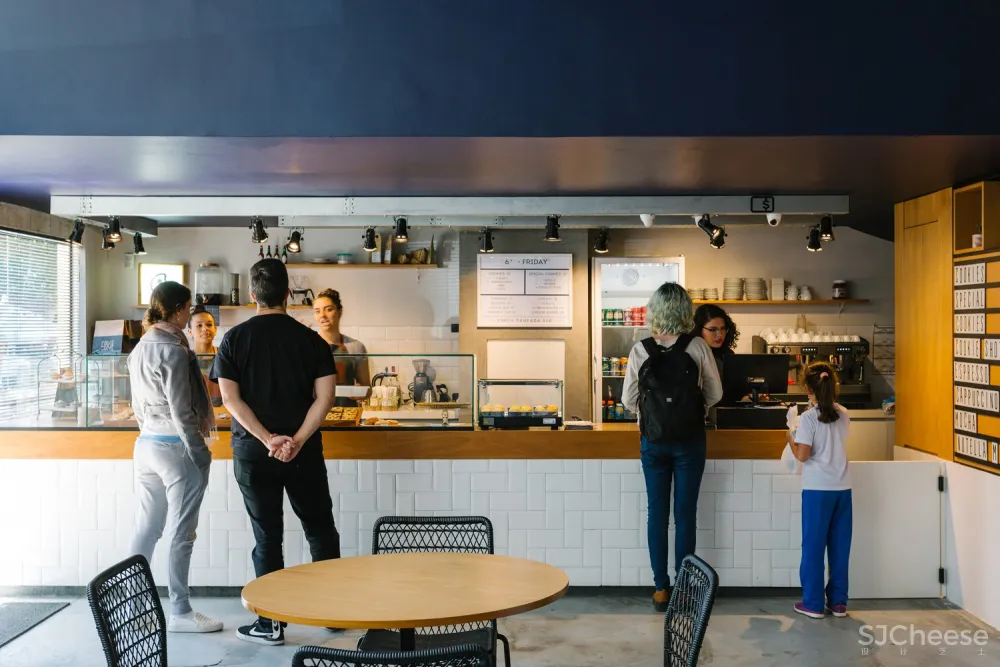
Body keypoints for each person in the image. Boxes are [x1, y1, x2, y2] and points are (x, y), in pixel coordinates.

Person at [210, 258, 340, 646]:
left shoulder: (233, 340)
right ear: (288, 294)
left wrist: (268, 439)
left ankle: (270, 624)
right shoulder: (312, 341)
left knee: (267, 536)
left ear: (253, 295)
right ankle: (335, 613)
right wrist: (296, 440)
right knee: (320, 528)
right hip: (304, 453)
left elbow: (230, 400)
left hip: (254, 453)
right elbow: (326, 399)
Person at [127, 281, 223, 633]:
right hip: (175, 448)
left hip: (146, 445)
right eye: (189, 308)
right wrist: (200, 453)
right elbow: (182, 413)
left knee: (147, 528)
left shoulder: (140, 347)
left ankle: (133, 608)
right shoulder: (175, 351)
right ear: (180, 309)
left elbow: (138, 407)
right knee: (182, 533)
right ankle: (181, 612)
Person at [622, 282, 723, 612]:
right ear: (685, 311)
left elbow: (628, 400)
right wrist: (693, 408)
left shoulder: (641, 349)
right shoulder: (697, 347)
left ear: (654, 310)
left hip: (653, 442)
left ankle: (660, 589)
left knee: (657, 514)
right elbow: (716, 393)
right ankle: (683, 588)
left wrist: (652, 415)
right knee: (685, 514)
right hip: (690, 441)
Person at [786, 361, 852, 619]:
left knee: (813, 547)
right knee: (839, 547)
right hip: (843, 488)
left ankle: (813, 603)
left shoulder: (808, 418)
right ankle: (838, 603)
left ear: (808, 390)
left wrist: (790, 439)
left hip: (817, 490)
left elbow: (803, 455)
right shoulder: (843, 414)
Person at [312, 288, 371, 406]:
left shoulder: (356, 347)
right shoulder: (307, 346)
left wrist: (360, 393)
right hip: (315, 416)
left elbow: (368, 390)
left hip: (348, 414)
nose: (322, 315)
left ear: (340, 312)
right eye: (317, 311)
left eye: (329, 309)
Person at [691, 303, 739, 375]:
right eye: (713, 329)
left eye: (723, 328)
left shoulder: (727, 354)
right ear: (698, 330)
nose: (720, 335)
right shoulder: (691, 356)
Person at [188, 306, 222, 407]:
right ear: (190, 332)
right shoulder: (186, 358)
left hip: (222, 412)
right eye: (199, 325)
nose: (205, 329)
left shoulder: (224, 356)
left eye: (209, 325)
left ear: (215, 330)